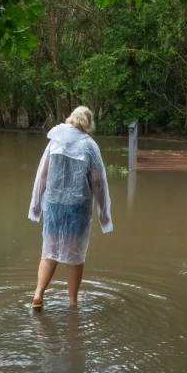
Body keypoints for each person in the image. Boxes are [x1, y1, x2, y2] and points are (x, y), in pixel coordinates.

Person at [28, 106, 113, 309]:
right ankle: (73, 301)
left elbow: (43, 175)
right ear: (88, 123)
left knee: (50, 251)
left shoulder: (54, 142)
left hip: (54, 205)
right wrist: (104, 212)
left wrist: (36, 204)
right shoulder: (90, 146)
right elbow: (98, 182)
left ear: (70, 119)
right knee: (75, 255)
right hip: (78, 207)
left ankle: (38, 294)